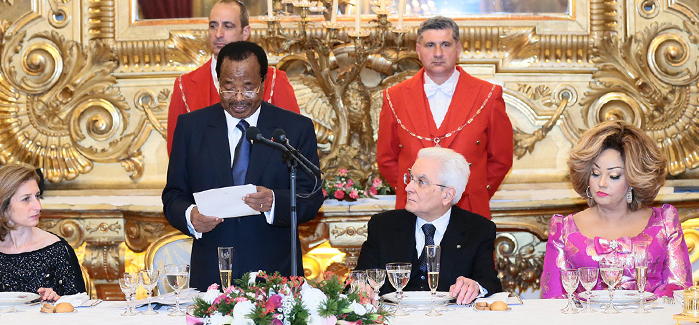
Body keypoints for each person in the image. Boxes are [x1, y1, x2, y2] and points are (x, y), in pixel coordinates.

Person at [162, 41, 324, 290]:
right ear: (218, 82)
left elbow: (311, 197)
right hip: (212, 273)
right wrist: (190, 216)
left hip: (276, 274)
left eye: (249, 88)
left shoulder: (293, 129)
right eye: (228, 88)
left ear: (263, 82)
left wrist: (274, 202)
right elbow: (173, 195)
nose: (238, 98)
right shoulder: (191, 128)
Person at [377, 16, 513, 219]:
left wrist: (471, 193)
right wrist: (419, 193)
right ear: (418, 50)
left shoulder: (489, 95)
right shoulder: (394, 97)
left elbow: (501, 159)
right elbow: (386, 158)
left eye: (445, 45)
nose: (438, 53)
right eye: (430, 45)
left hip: (470, 213)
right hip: (413, 213)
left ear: (457, 49)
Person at [541, 121, 692, 298]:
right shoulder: (563, 229)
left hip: (650, 324)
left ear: (634, 179)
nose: (602, 183)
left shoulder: (665, 223)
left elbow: (680, 293)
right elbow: (553, 301)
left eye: (614, 176)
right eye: (595, 173)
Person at [356, 147, 502, 304]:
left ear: (447, 195)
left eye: (421, 182)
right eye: (410, 178)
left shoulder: (478, 229)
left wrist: (475, 287)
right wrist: (361, 287)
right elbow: (359, 277)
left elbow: (490, 283)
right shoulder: (383, 226)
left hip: (451, 323)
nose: (408, 188)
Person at [166, 0, 300, 155]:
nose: (218, 34)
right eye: (213, 25)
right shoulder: (185, 85)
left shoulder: (275, 79)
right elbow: (176, 153)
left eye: (228, 26)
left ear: (245, 32)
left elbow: (294, 141)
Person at [0, 163, 86, 302]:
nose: (38, 206)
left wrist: (58, 300)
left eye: (37, 196)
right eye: (26, 199)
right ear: (3, 206)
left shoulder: (58, 250)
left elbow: (81, 308)